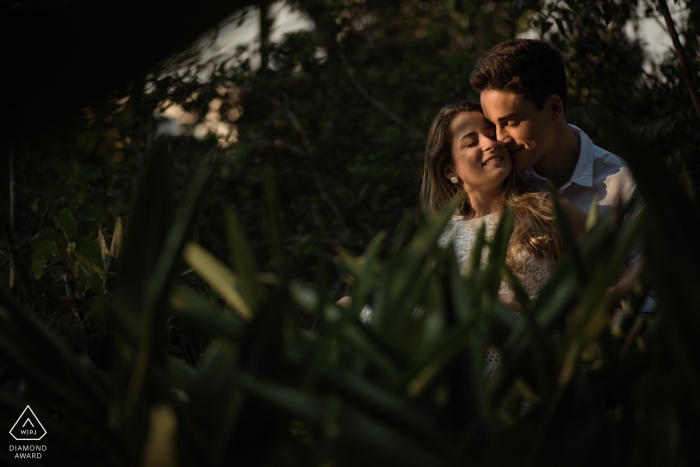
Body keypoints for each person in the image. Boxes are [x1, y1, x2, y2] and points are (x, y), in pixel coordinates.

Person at [422, 100, 585, 297]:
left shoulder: (548, 211)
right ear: (449, 170)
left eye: (491, 135)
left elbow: (618, 282)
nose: (490, 143)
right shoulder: (440, 240)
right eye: (472, 142)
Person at [469, 39, 636, 217]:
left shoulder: (627, 187)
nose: (500, 139)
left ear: (554, 108)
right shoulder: (500, 182)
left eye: (511, 123)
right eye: (492, 125)